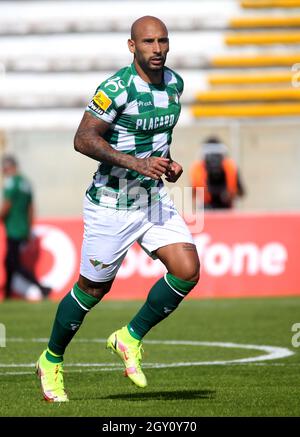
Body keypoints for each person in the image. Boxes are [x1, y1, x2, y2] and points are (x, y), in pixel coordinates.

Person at [36, 16, 200, 402]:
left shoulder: (175, 84)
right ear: (132, 47)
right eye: (148, 42)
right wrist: (136, 163)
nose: (157, 49)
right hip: (111, 203)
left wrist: (168, 164)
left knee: (187, 270)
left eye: (163, 41)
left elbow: (158, 141)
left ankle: (129, 337)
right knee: (94, 289)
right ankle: (51, 360)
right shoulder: (115, 88)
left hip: (152, 197)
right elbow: (83, 139)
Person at [0, 155, 51, 300]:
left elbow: (7, 205)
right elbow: (31, 208)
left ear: (8, 167)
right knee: (9, 262)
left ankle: (42, 288)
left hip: (13, 228)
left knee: (13, 262)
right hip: (22, 227)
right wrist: (29, 229)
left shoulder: (11, 182)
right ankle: (8, 294)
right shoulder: (26, 183)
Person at [190, 136, 245, 210]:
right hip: (206, 208)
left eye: (217, 155)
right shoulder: (198, 170)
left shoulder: (230, 168)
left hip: (226, 208)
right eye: (210, 155)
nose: (214, 159)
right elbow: (193, 195)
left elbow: (241, 192)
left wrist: (231, 194)